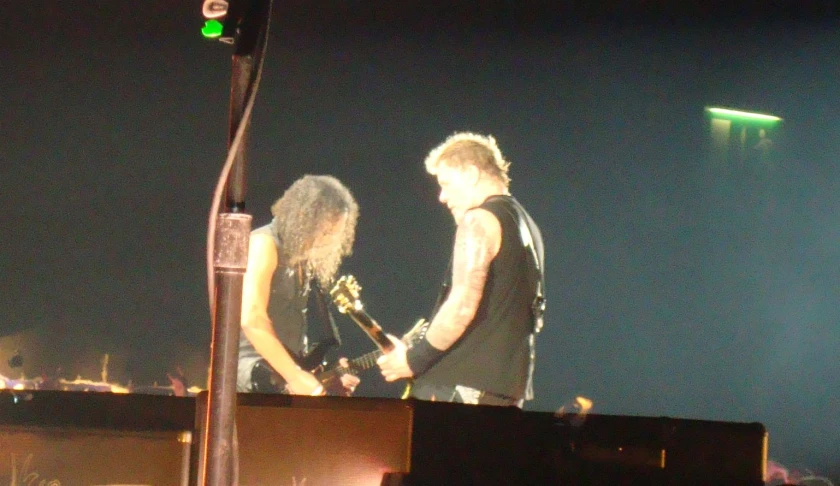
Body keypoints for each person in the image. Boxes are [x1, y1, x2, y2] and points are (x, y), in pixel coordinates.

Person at [378, 132, 545, 408]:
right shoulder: (528, 226)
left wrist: (412, 360)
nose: (442, 197)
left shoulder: (479, 219)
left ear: (470, 173)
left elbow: (462, 305)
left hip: (461, 389)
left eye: (445, 183)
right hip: (504, 390)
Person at [237, 175, 361, 396]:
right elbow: (252, 319)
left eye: (335, 234)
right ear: (303, 218)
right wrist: (294, 375)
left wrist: (326, 377)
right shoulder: (263, 244)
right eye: (325, 232)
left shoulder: (305, 260)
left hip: (284, 378)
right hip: (251, 378)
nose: (328, 241)